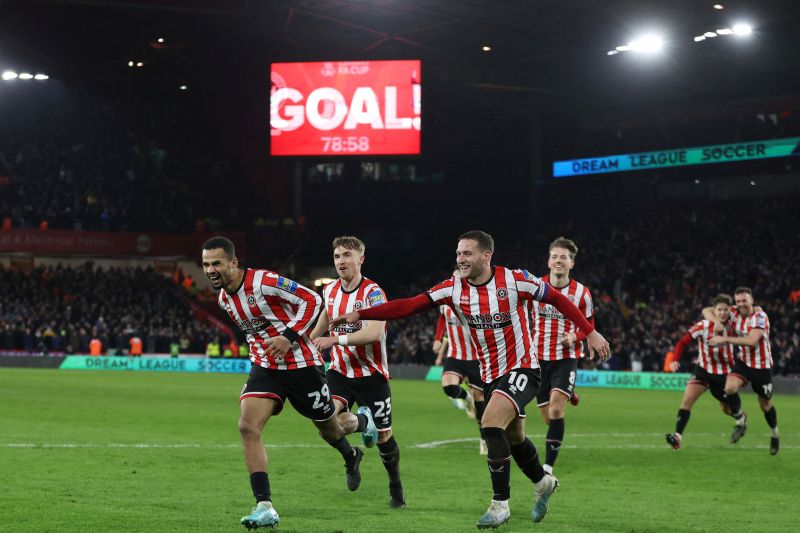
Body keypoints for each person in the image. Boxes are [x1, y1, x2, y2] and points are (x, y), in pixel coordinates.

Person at [331, 230, 610, 528]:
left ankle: (500, 504)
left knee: (489, 423)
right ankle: (543, 482)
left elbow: (557, 299)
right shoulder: (452, 288)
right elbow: (410, 304)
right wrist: (363, 313)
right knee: (515, 438)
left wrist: (590, 332)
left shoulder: (515, 280)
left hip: (523, 368)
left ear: (486, 256)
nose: (460, 259)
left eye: (467, 253)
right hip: (490, 375)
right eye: (458, 253)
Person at [201, 236, 363, 530]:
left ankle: (352, 451)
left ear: (233, 263)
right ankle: (264, 506)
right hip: (266, 368)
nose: (210, 270)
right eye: (206, 264)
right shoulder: (224, 299)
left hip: (303, 366)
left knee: (330, 429)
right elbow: (255, 334)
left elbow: (312, 300)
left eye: (216, 263)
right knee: (247, 426)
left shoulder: (263, 282)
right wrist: (258, 360)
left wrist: (288, 337)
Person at [309, 236, 405, 508]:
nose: (341, 261)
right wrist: (308, 342)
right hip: (339, 372)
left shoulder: (373, 294)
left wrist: (334, 340)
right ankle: (353, 452)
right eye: (337, 256)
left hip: (371, 375)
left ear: (360, 259)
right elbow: (327, 316)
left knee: (384, 437)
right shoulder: (330, 290)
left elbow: (375, 333)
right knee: (326, 423)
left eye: (347, 255)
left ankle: (395, 487)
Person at [531, 237, 593, 476]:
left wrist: (575, 337)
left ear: (571, 263)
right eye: (555, 256)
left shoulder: (582, 293)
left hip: (565, 358)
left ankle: (547, 468)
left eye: (563, 257)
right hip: (537, 360)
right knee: (550, 418)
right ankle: (569, 391)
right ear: (548, 261)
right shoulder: (535, 287)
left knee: (557, 410)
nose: (559, 260)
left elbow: (589, 326)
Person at [664, 294, 746, 449]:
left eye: (725, 310)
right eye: (719, 310)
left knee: (726, 409)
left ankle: (740, 418)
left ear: (730, 310)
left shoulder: (734, 325)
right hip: (703, 370)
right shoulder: (702, 326)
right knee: (687, 401)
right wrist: (675, 359)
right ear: (714, 310)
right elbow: (682, 342)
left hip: (724, 373)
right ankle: (677, 437)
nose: (722, 313)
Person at [705, 287, 780, 455]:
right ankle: (740, 421)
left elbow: (752, 341)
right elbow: (707, 310)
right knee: (730, 387)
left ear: (752, 300)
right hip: (744, 362)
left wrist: (724, 339)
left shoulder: (760, 316)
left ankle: (775, 433)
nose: (741, 304)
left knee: (765, 405)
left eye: (744, 300)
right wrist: (716, 321)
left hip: (762, 366)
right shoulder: (734, 312)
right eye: (738, 301)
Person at [433, 269, 487, 455]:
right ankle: (466, 397)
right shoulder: (446, 301)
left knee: (481, 403)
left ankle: (484, 438)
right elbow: (442, 318)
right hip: (455, 355)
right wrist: (438, 339)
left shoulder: (475, 300)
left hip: (475, 358)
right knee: (448, 387)